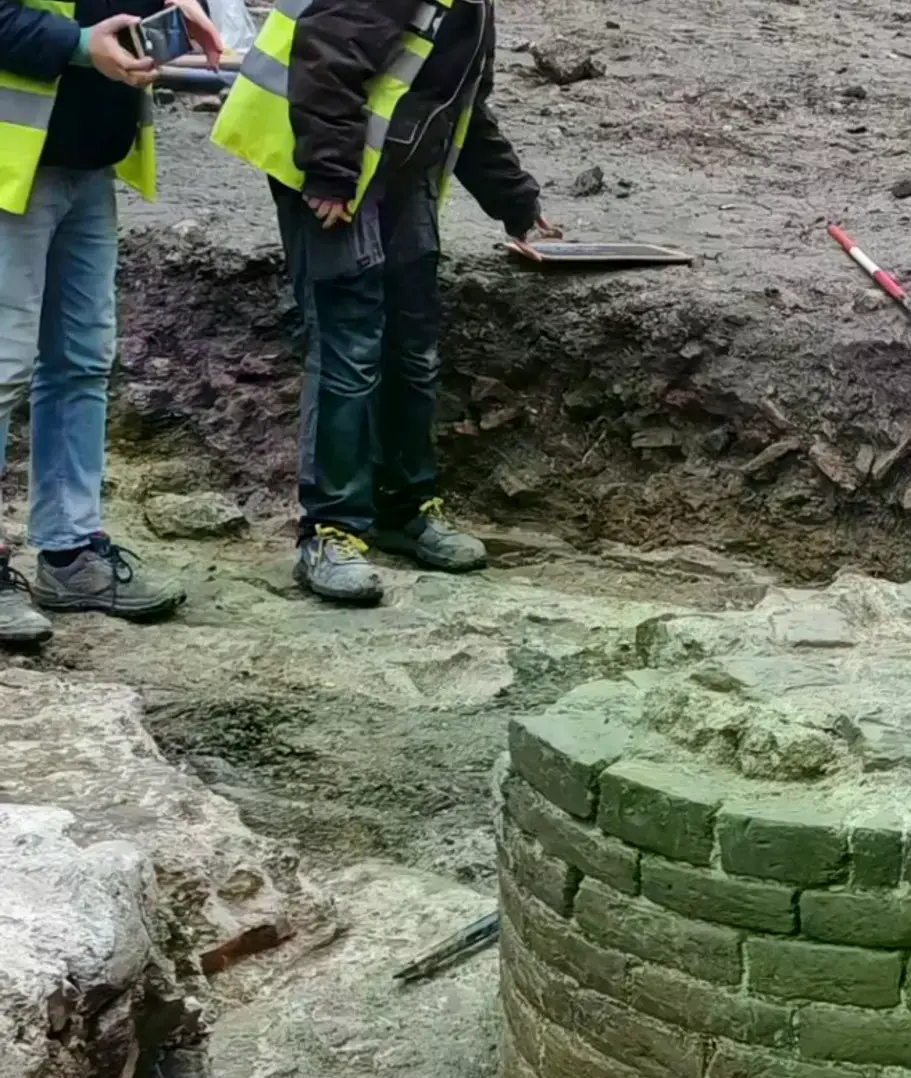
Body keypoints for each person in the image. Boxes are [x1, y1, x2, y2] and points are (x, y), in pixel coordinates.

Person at [210, 0, 551, 606]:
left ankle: (404, 506)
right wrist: (329, 173)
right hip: (322, 155)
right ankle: (330, 530)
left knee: (412, 343)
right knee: (349, 341)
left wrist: (514, 199)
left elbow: (456, 104)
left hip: (388, 163)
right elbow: (327, 51)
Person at [0, 0, 221, 646]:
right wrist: (77, 45)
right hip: (11, 166)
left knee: (81, 361)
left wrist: (175, 8)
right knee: (4, 366)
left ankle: (70, 552)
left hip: (88, 163)